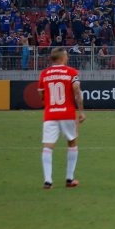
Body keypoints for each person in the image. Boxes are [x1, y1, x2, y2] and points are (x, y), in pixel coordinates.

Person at [38, 47, 85, 189]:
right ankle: (69, 179)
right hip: (67, 113)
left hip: (50, 113)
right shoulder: (71, 72)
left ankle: (48, 181)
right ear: (62, 58)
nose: (68, 58)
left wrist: (49, 104)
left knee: (48, 146)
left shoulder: (44, 74)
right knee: (72, 143)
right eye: (66, 56)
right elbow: (77, 91)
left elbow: (41, 94)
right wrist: (81, 111)